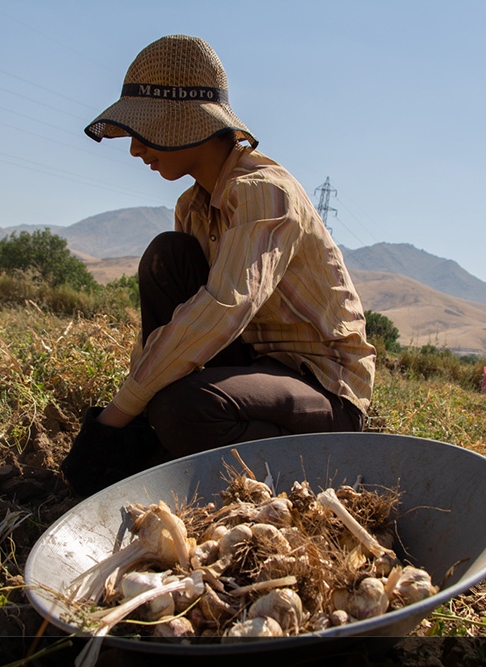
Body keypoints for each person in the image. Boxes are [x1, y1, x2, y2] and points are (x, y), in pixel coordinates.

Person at [61, 35, 375, 496]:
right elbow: (183, 325)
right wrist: (134, 400)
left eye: (144, 129)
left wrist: (115, 417)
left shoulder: (266, 192)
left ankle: (315, 467)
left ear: (185, 123)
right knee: (168, 256)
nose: (134, 150)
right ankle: (170, 447)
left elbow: (224, 307)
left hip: (321, 389)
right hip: (252, 367)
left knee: (180, 409)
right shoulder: (192, 206)